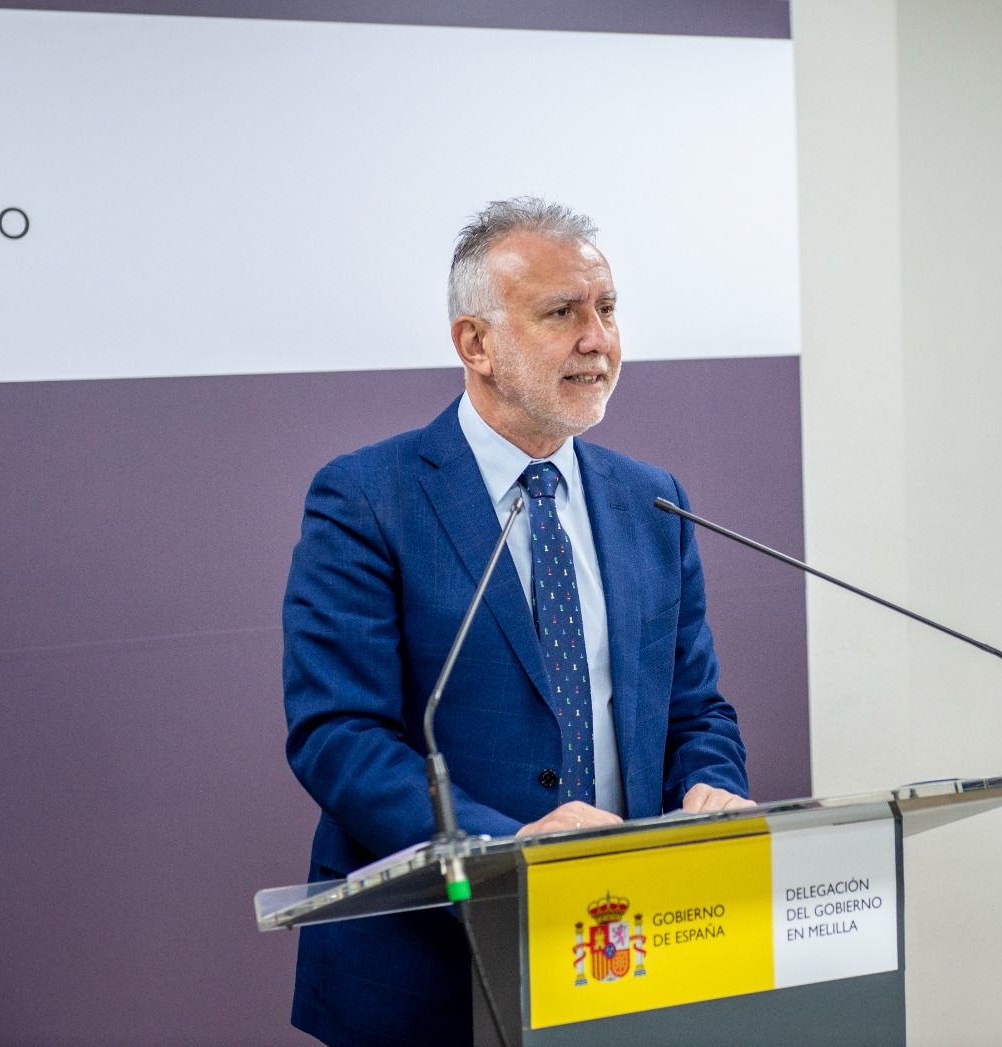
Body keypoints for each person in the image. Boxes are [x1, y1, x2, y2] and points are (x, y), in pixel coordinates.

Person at [281, 198, 752, 1046]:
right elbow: (337, 733)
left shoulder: (651, 499)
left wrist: (707, 786)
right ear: (476, 343)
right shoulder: (368, 497)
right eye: (561, 313)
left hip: (623, 948)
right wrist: (507, 844)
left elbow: (695, 708)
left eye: (606, 309)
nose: (597, 339)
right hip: (429, 965)